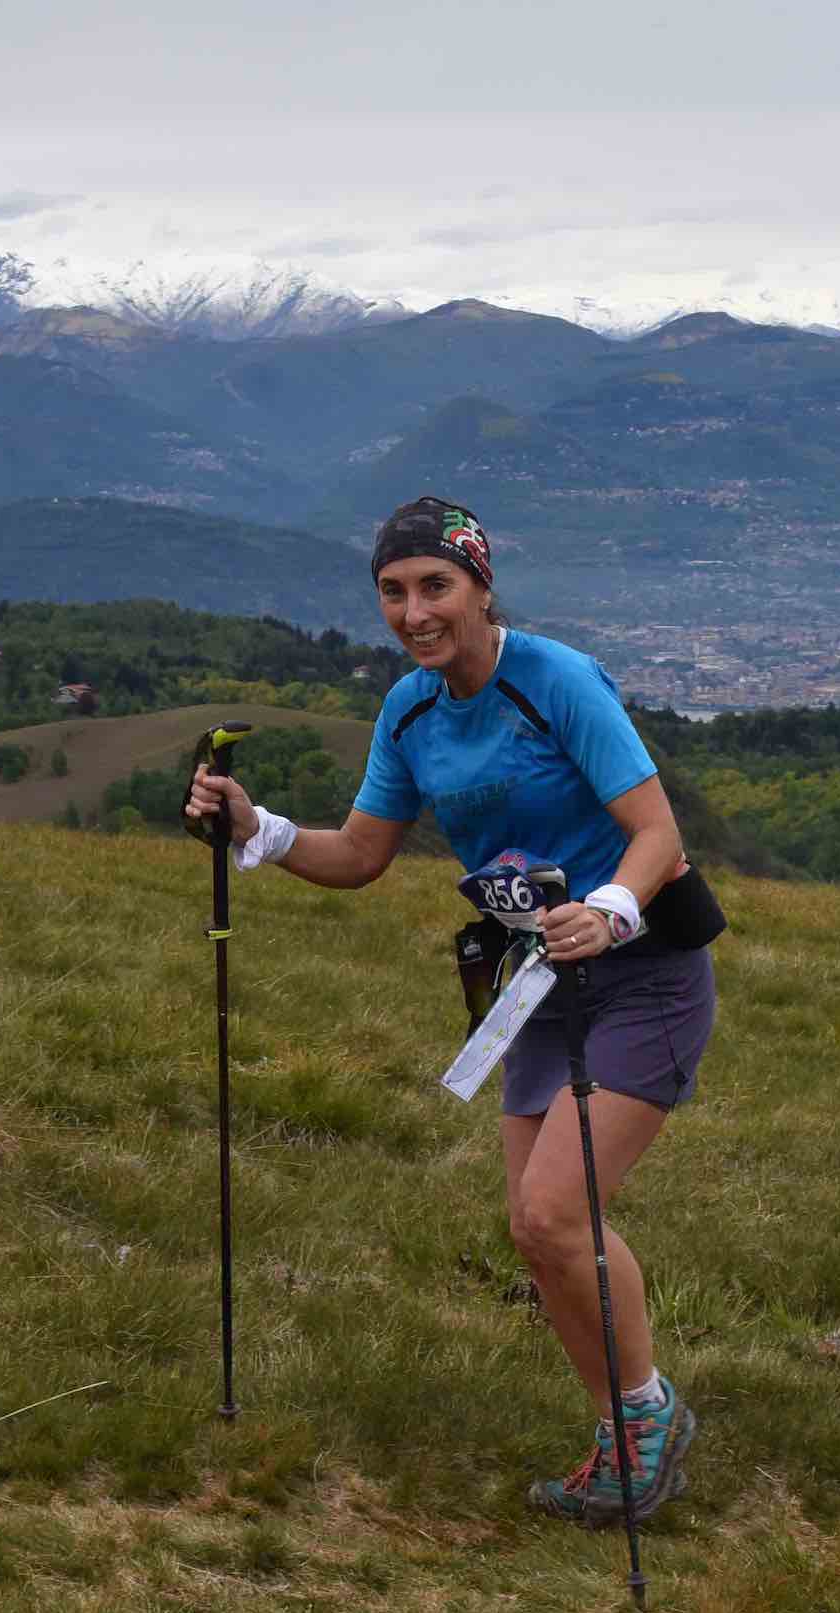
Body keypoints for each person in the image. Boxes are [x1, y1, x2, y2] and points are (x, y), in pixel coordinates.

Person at [185, 496, 721, 1526]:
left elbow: (656, 831)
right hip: (539, 981)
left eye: (435, 585)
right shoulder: (410, 711)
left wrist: (609, 910)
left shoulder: (555, 681)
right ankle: (624, 1426)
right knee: (536, 1232)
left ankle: (645, 1417)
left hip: (644, 970)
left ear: (481, 586)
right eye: (393, 592)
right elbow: (360, 854)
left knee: (554, 1212)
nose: (413, 612)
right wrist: (261, 829)